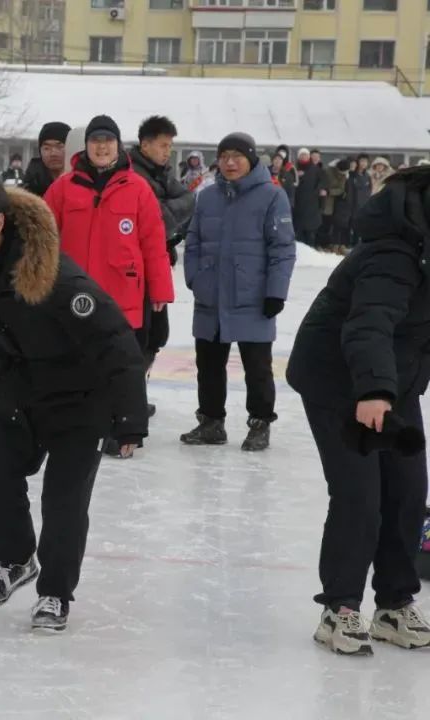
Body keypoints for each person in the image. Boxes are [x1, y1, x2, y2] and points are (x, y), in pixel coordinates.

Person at [0, 174, 147, 632]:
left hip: (80, 402)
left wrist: (129, 419)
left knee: (64, 503)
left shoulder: (56, 278)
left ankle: (54, 592)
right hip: (16, 392)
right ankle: (14, 561)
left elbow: (115, 340)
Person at [287, 165, 430, 656]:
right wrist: (374, 393)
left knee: (409, 488)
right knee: (360, 491)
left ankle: (393, 604)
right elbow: (368, 324)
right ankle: (340, 608)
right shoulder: (395, 249)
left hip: (394, 377)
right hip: (340, 378)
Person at [44, 114, 172, 456]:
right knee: (74, 364)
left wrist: (160, 291)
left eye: (108, 141)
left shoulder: (138, 188)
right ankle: (74, 427)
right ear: (86, 146)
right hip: (74, 296)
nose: (102, 147)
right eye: (96, 140)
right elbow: (42, 238)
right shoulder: (63, 188)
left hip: (122, 294)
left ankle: (121, 431)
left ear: (118, 146)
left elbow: (153, 244)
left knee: (119, 366)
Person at [180, 132, 295, 451]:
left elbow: (283, 248)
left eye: (237, 156)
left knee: (257, 367)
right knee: (209, 365)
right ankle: (211, 423)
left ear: (251, 159)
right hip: (211, 296)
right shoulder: (208, 197)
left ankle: (260, 423)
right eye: (224, 156)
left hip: (253, 297)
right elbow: (193, 242)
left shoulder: (272, 196)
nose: (230, 163)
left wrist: (276, 292)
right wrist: (195, 279)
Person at [128, 115, 195, 415]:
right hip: (134, 269)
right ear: (145, 144)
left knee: (156, 334)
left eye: (170, 146)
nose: (168, 151)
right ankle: (129, 397)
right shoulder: (132, 173)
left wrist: (165, 218)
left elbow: (188, 200)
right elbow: (151, 218)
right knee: (139, 335)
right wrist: (166, 219)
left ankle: (137, 391)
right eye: (163, 145)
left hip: (156, 263)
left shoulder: (162, 173)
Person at [23, 121, 68, 198]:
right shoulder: (28, 190)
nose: (53, 153)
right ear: (40, 151)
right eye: (47, 148)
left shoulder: (84, 184)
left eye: (60, 147)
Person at [294, 147, 326, 247]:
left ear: (309, 157)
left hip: (312, 205)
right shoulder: (294, 169)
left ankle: (311, 254)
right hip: (298, 205)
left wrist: (318, 192)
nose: (304, 157)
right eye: (301, 155)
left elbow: (323, 184)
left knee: (311, 233)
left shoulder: (316, 169)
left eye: (306, 155)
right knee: (298, 233)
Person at [348, 154, 373, 243]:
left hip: (364, 206)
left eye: (365, 161)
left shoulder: (367, 176)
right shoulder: (352, 175)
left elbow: (370, 190)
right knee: (353, 227)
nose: (363, 163)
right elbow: (350, 191)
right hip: (353, 206)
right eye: (362, 161)